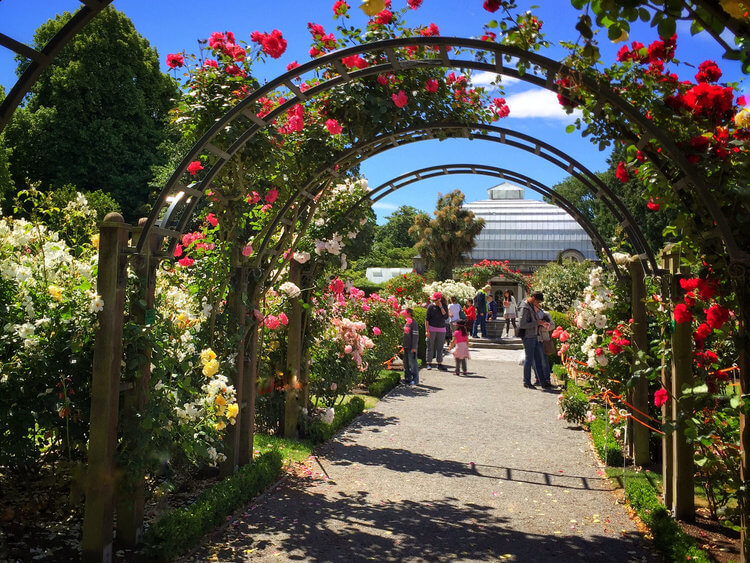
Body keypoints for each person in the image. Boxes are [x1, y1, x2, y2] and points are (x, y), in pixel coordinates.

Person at [517, 291, 552, 389]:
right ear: (532, 298)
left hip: (534, 335)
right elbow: (522, 324)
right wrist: (537, 323)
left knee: (538, 359)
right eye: (537, 302)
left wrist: (540, 323)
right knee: (529, 359)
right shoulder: (525, 308)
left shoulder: (530, 306)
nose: (538, 304)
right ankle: (526, 381)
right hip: (528, 336)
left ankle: (543, 382)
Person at [425, 292, 449, 371]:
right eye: (434, 300)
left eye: (436, 300)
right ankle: (429, 363)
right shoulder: (430, 307)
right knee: (430, 346)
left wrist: (441, 307)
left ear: (440, 299)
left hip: (441, 329)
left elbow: (445, 317)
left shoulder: (444, 306)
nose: (435, 301)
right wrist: (427, 330)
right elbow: (427, 319)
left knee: (440, 347)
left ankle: (439, 363)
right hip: (431, 328)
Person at [534, 308, 555, 386]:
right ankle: (538, 378)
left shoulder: (545, 314)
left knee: (543, 360)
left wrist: (545, 327)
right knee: (534, 361)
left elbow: (552, 325)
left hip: (543, 340)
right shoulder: (530, 313)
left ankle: (547, 379)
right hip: (533, 339)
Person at [402, 308, 420, 385]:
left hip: (411, 347)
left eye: (405, 312)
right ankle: (407, 378)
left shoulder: (413, 323)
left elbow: (415, 336)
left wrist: (414, 347)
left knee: (413, 363)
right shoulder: (406, 323)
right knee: (406, 363)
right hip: (406, 346)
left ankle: (415, 379)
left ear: (409, 313)